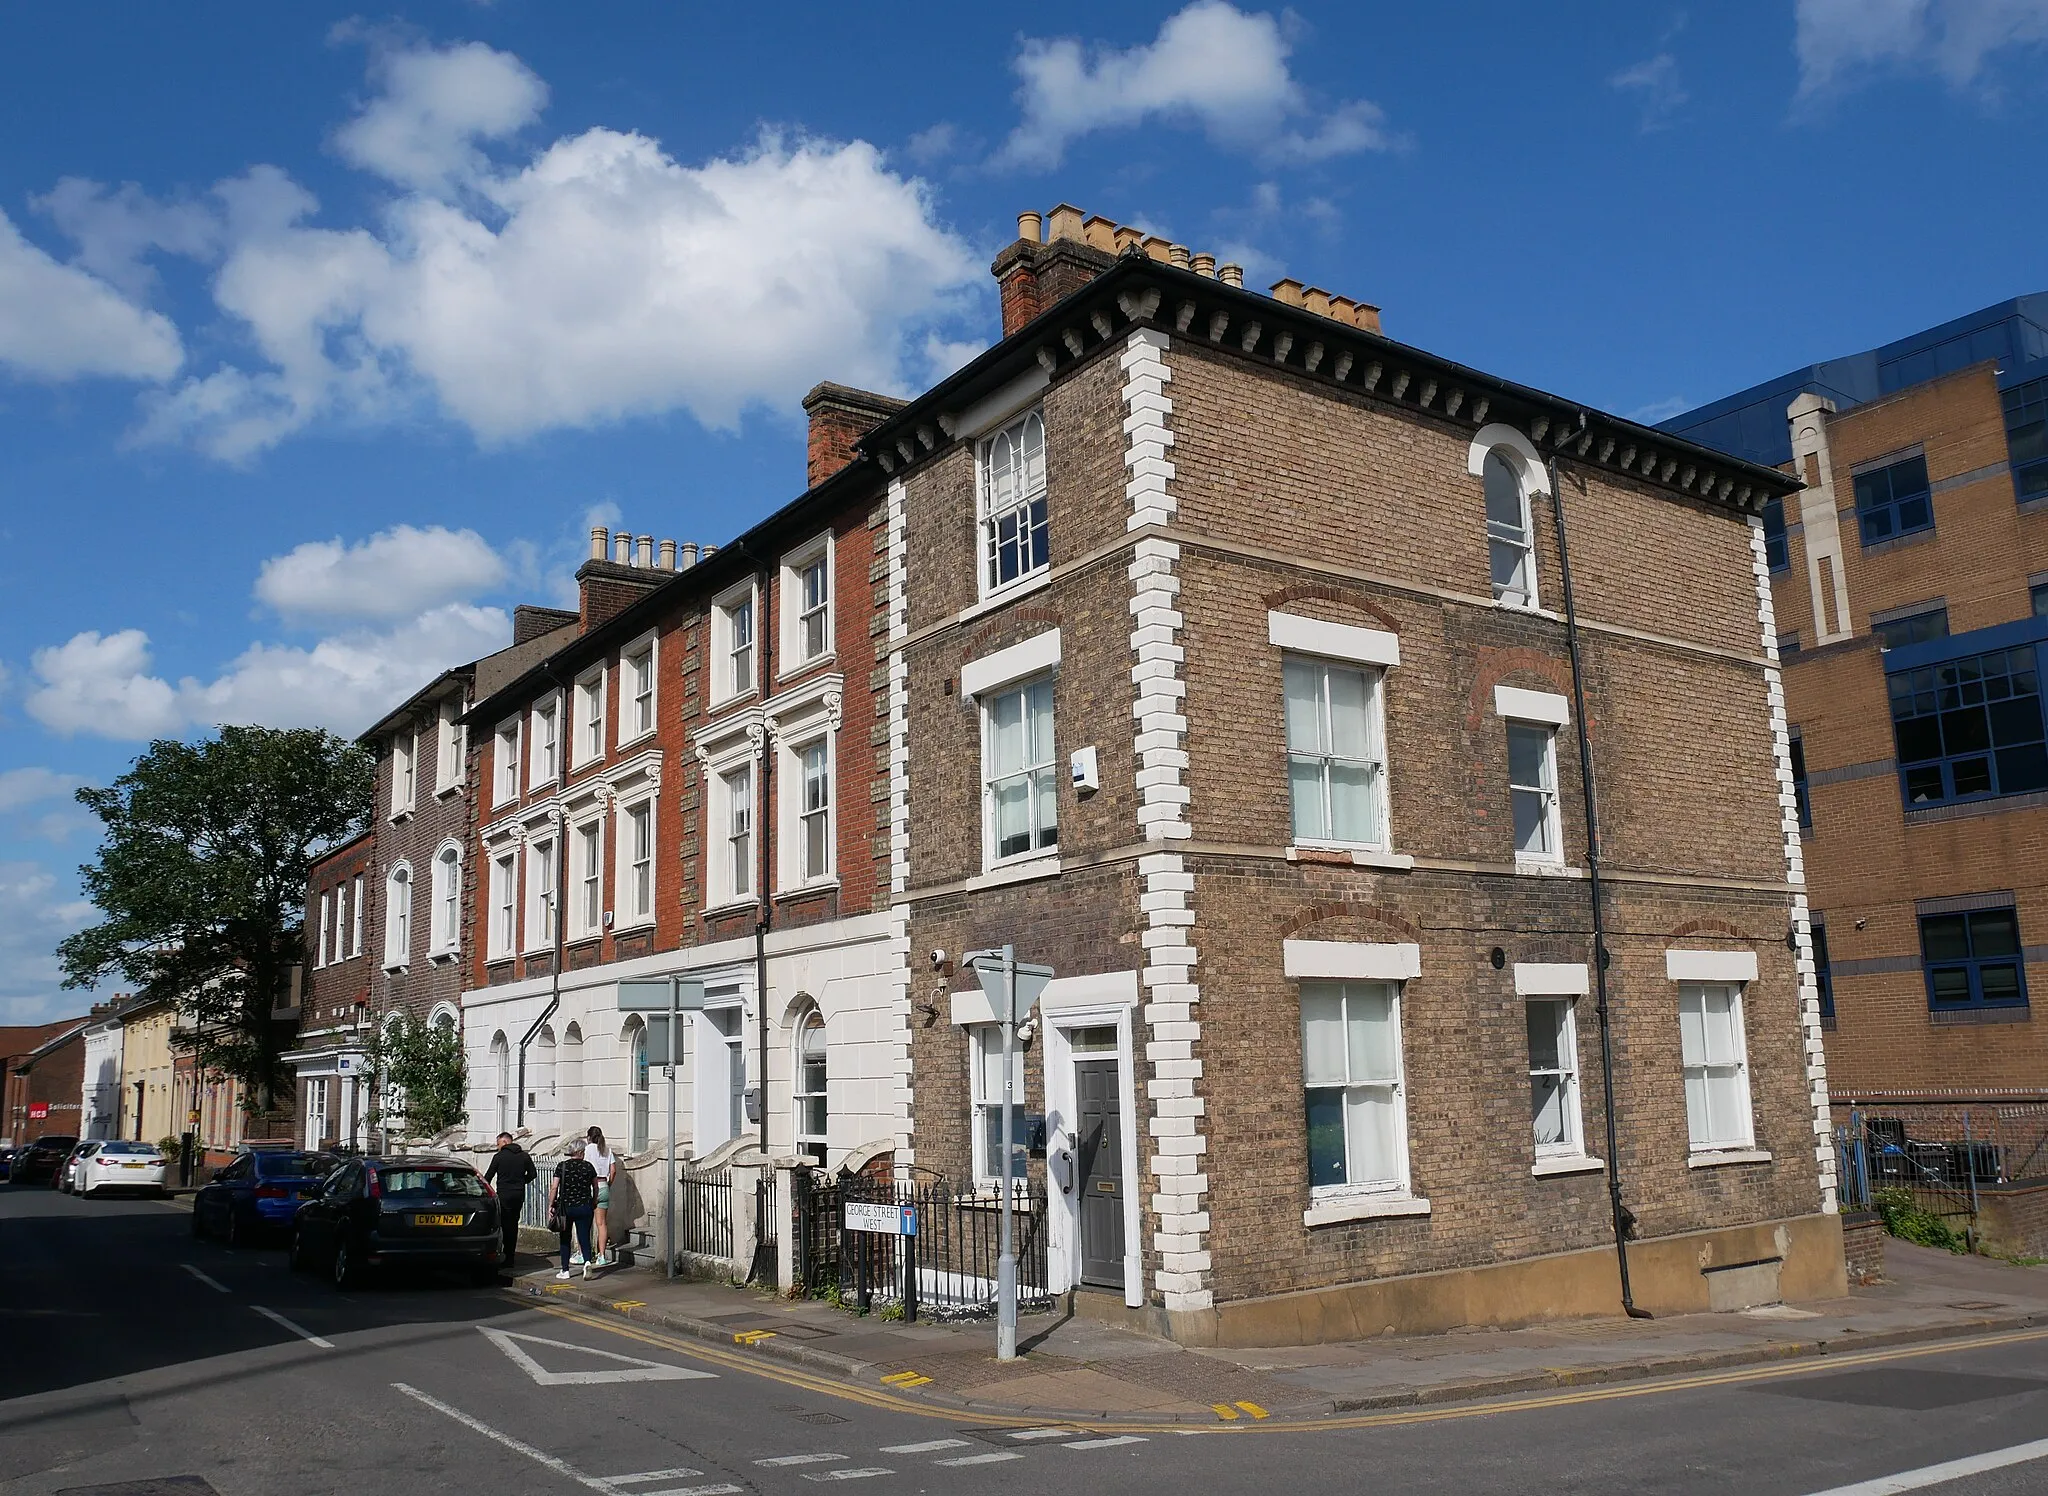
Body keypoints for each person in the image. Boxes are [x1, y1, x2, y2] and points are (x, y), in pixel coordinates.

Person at [483, 1131, 535, 1273]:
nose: (497, 1146)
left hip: (504, 1194)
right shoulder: (524, 1156)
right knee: (513, 1223)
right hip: (518, 1194)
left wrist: (483, 1191)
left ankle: (505, 1255)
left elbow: (488, 1176)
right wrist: (521, 1182)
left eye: (498, 1143)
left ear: (505, 1142)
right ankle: (510, 1256)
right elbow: (533, 1174)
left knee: (504, 1224)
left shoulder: (499, 1157)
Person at [549, 1143, 598, 1281]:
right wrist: (594, 1201)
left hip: (566, 1207)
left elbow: (554, 1187)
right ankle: (587, 1262)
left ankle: (565, 1270)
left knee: (565, 1237)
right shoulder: (588, 1166)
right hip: (584, 1206)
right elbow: (595, 1186)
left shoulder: (562, 1166)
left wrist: (551, 1205)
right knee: (584, 1236)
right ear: (581, 1152)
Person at [584, 1126, 617, 1267]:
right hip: (603, 1184)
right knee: (601, 1223)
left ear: (589, 1137)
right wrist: (609, 1183)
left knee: (584, 1222)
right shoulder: (607, 1150)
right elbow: (613, 1170)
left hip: (590, 1186)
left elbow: (584, 1166)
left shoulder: (588, 1149)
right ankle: (602, 1256)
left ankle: (583, 1254)